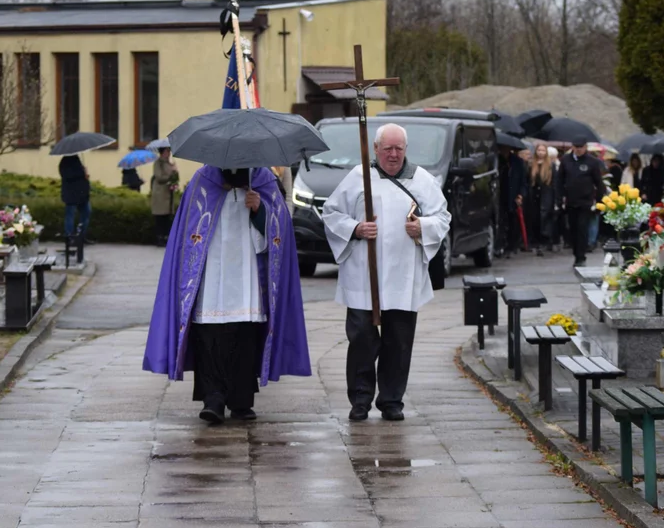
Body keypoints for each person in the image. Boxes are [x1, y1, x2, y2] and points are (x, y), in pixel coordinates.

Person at [143, 165, 311, 424]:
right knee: (209, 337)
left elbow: (280, 232)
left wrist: (260, 210)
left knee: (244, 337)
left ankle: (241, 402)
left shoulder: (263, 179)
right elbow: (188, 230)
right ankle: (213, 399)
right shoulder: (203, 179)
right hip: (212, 274)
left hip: (247, 275)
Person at [321, 123, 452, 422]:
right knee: (362, 340)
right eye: (387, 148)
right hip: (362, 277)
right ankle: (360, 400)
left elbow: (442, 216)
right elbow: (331, 213)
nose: (393, 155)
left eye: (398, 149)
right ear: (376, 149)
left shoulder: (421, 179)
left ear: (406, 150)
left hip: (404, 277)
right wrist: (355, 228)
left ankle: (392, 400)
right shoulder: (358, 178)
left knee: (398, 341)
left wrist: (423, 227)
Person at [556, 138, 604, 267]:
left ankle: (581, 257)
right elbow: (559, 181)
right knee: (572, 229)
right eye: (576, 147)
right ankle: (576, 252)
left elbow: (599, 183)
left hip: (585, 201)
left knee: (582, 228)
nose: (578, 149)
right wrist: (559, 199)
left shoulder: (592, 162)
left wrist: (600, 202)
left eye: (581, 147)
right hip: (570, 201)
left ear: (585, 147)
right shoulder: (566, 160)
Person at [527, 143, 557, 255]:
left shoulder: (550, 166)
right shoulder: (531, 165)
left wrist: (556, 199)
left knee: (545, 216)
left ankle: (545, 240)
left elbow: (554, 182)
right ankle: (535, 241)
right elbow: (528, 181)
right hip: (534, 194)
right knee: (534, 217)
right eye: (539, 150)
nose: (540, 153)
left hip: (546, 193)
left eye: (543, 150)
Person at [501, 145, 528, 256]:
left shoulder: (517, 162)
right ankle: (501, 244)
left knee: (513, 221)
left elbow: (523, 181)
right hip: (500, 194)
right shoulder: (497, 161)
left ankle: (511, 245)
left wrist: (521, 195)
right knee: (502, 220)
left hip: (513, 194)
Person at [59, 155, 91, 243]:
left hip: (82, 194)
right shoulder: (65, 162)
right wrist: (82, 173)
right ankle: (69, 238)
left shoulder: (77, 159)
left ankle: (81, 235)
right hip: (71, 195)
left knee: (86, 213)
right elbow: (68, 175)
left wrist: (84, 174)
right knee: (70, 216)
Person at [150, 147, 178, 247]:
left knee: (167, 217)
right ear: (162, 152)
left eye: (169, 151)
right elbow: (159, 177)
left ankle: (166, 237)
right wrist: (171, 174)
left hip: (168, 193)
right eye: (167, 151)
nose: (169, 153)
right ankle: (159, 238)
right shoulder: (158, 163)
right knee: (160, 217)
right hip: (160, 194)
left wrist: (175, 171)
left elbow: (174, 177)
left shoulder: (169, 163)